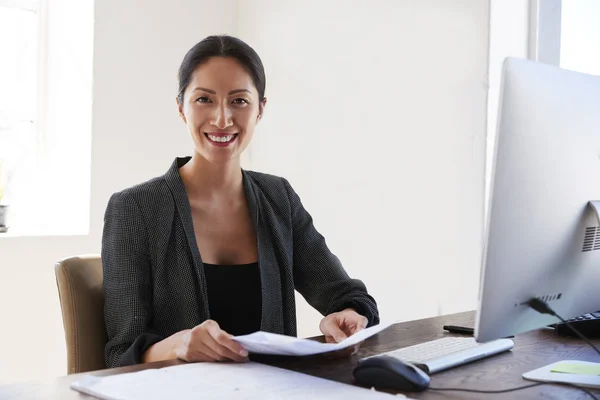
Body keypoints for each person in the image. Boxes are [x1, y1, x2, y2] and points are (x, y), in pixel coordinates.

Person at [102, 35, 379, 369]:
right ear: (181, 107)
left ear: (260, 109)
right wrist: (178, 346)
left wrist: (348, 315)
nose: (222, 119)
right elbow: (121, 354)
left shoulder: (279, 198)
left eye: (239, 101)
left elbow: (347, 295)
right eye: (204, 99)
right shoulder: (135, 209)